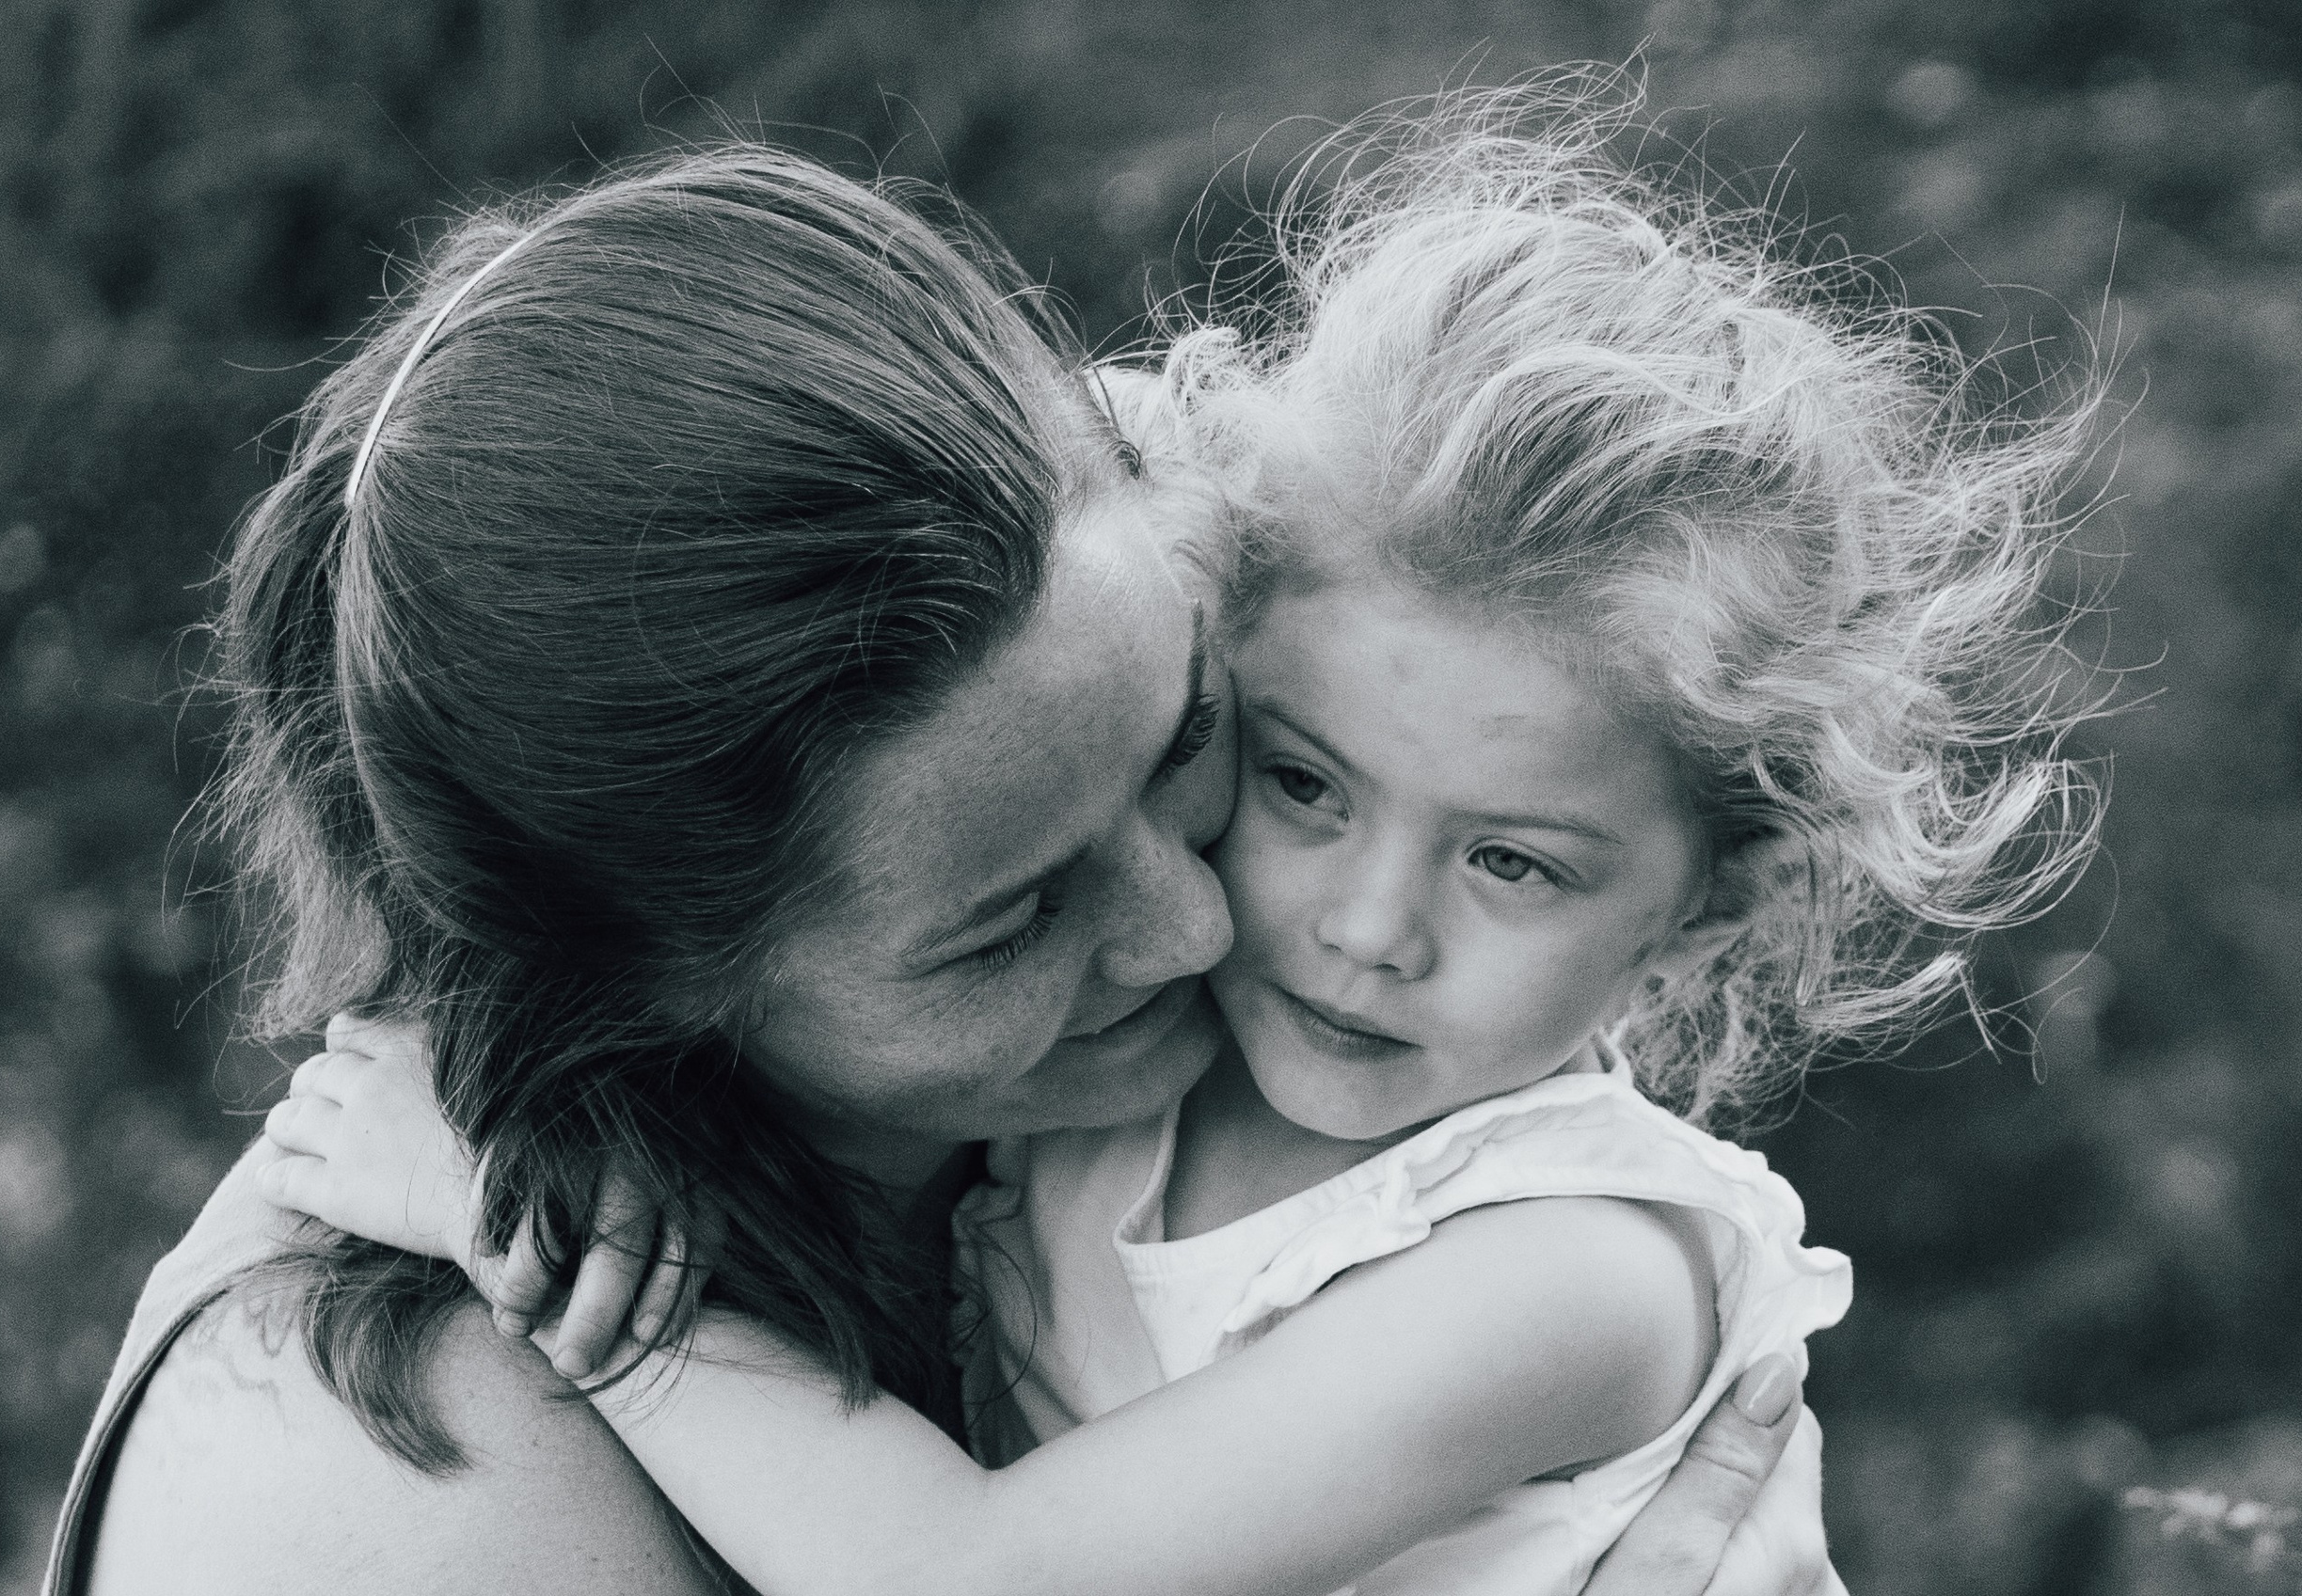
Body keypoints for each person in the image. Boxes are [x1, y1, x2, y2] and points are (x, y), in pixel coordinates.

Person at [259, 92, 2103, 1596]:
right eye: (1298, 780)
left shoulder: (1565, 1275)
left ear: (1719, 905)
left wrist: (518, 1249)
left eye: (1513, 865)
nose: (1353, 926)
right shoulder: (1206, 1001)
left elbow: (965, 1584)